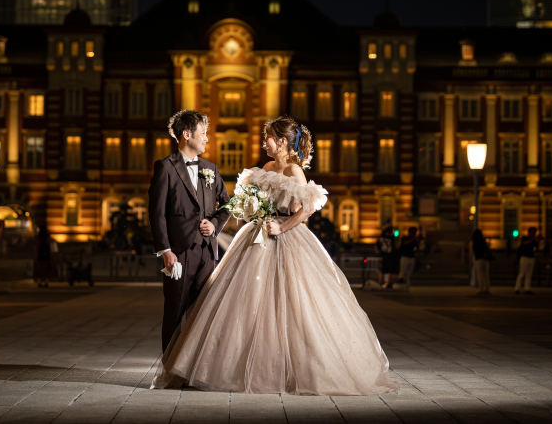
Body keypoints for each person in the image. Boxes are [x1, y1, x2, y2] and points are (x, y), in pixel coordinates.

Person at [152, 115, 398, 395]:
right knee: (241, 302)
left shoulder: (295, 171)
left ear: (281, 141)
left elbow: (305, 210)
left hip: (287, 237)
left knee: (291, 303)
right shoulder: (266, 167)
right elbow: (239, 201)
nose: (262, 142)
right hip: (256, 236)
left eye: (267, 137)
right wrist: (250, 210)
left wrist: (281, 226)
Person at [148, 110, 232, 351]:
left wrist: (215, 224)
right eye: (203, 133)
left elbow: (227, 205)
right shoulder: (165, 167)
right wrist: (165, 250)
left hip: (207, 253)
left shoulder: (211, 169)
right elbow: (157, 214)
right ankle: (170, 370)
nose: (207, 138)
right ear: (187, 134)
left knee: (203, 313)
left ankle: (193, 369)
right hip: (179, 252)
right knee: (175, 311)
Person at [514, 227, 540, 295]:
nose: (534, 234)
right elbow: (525, 243)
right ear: (530, 232)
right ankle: (517, 288)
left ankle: (527, 288)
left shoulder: (534, 241)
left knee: (529, 274)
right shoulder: (524, 238)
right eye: (533, 232)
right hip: (524, 257)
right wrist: (533, 239)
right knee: (522, 273)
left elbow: (535, 249)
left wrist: (537, 242)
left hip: (531, 257)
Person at [377, 222, 397, 289]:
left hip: (385, 255)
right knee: (388, 270)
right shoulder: (391, 238)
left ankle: (382, 283)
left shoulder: (382, 237)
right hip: (388, 255)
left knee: (384, 270)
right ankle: (386, 283)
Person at [472, 229, 491, 294]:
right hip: (486, 259)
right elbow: (488, 248)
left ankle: (481, 288)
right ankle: (487, 288)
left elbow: (473, 251)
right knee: (486, 274)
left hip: (479, 259)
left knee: (480, 274)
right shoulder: (483, 241)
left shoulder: (474, 242)